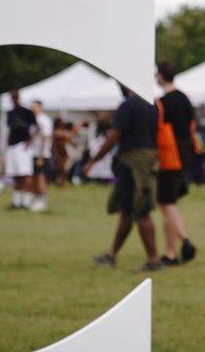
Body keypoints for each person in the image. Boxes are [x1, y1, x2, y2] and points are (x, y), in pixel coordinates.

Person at [85, 84, 162, 272]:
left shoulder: (128, 105)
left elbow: (114, 136)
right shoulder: (152, 104)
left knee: (141, 211)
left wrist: (93, 160)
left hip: (133, 164)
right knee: (127, 211)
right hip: (144, 163)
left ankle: (154, 261)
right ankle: (111, 255)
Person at [154, 61, 197, 266]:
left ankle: (185, 241)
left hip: (170, 156)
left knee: (166, 203)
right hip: (186, 153)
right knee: (168, 203)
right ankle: (170, 253)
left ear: (160, 76)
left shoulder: (162, 102)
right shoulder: (185, 99)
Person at [5, 90, 37, 209]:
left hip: (22, 146)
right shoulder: (10, 113)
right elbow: (10, 130)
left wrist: (29, 141)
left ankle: (26, 202)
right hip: (12, 146)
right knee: (15, 175)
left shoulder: (27, 112)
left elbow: (36, 127)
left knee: (25, 174)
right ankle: (16, 202)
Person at [29, 100, 53, 212]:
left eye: (34, 106)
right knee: (34, 178)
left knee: (40, 178)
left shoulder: (44, 119)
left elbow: (45, 137)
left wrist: (41, 156)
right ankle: (35, 199)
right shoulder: (33, 120)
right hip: (33, 152)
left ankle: (42, 200)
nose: (32, 108)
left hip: (41, 154)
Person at [51, 118, 71, 187]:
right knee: (60, 169)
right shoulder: (56, 132)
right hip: (58, 152)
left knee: (63, 169)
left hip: (63, 152)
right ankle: (60, 183)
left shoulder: (60, 132)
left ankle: (62, 182)